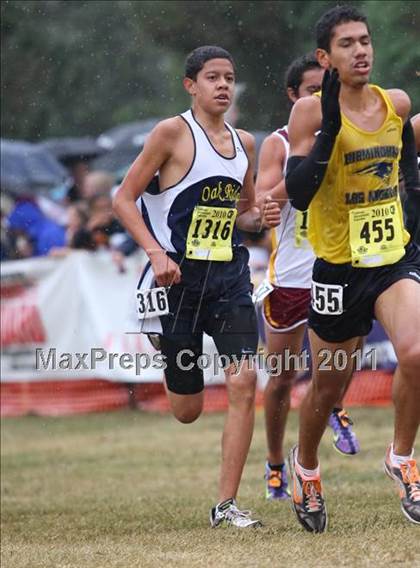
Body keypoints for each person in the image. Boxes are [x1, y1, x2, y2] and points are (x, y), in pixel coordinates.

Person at [113, 45, 281, 528]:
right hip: (177, 280)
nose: (223, 85)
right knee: (186, 409)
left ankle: (225, 505)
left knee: (245, 382)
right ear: (191, 85)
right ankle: (165, 342)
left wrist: (260, 215)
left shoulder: (244, 142)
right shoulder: (171, 133)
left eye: (229, 77)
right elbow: (124, 200)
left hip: (228, 277)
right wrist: (156, 253)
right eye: (213, 77)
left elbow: (244, 212)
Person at [283, 5, 420, 532]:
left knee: (415, 349)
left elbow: (406, 167)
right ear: (326, 57)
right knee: (328, 390)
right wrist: (331, 130)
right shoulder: (311, 113)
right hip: (339, 267)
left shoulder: (397, 103)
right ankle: (307, 467)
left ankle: (403, 459)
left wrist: (413, 210)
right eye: (347, 44)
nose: (361, 50)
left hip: (391, 259)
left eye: (365, 41)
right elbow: (297, 192)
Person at [256, 54, 361, 502]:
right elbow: (263, 202)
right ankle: (277, 463)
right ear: (293, 97)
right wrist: (307, 171)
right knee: (281, 379)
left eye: (327, 90)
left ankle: (335, 407)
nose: (322, 99)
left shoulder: (349, 132)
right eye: (313, 91)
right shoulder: (279, 144)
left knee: (341, 362)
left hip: (339, 267)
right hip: (292, 279)